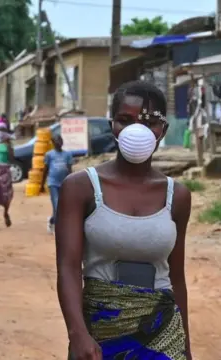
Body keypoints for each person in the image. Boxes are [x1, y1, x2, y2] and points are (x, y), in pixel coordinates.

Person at [56, 80, 192, 360]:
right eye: (125, 120)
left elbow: (176, 277)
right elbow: (68, 268)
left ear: (163, 130)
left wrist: (185, 348)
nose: (137, 131)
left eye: (149, 122)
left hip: (161, 333)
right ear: (112, 127)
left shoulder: (176, 196)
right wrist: (78, 334)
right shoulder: (80, 187)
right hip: (100, 330)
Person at [41, 134, 73, 233]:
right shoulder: (49, 155)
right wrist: (42, 184)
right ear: (53, 143)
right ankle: (58, 229)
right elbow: (45, 170)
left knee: (62, 206)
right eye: (56, 141)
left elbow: (69, 170)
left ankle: (51, 221)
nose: (59, 142)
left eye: (60, 140)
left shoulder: (67, 155)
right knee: (57, 205)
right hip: (53, 183)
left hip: (64, 183)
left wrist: (72, 183)